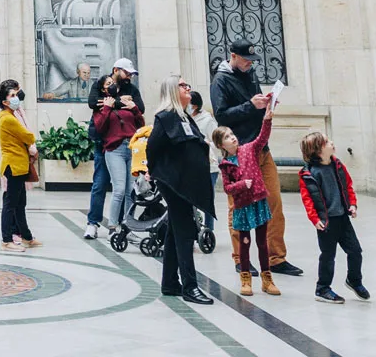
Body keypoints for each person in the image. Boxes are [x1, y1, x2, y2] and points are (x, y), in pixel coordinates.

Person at [211, 42, 301, 276]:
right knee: (238, 206)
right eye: (245, 59)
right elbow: (222, 116)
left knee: (274, 203)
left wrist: (266, 104)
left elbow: (254, 102)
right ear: (233, 56)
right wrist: (250, 106)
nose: (250, 63)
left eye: (251, 59)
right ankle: (241, 259)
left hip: (260, 147)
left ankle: (276, 257)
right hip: (239, 151)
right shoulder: (220, 80)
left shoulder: (249, 73)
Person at [145, 75, 215, 304]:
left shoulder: (185, 117)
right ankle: (190, 286)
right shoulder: (166, 117)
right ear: (173, 91)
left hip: (186, 183)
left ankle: (170, 283)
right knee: (185, 233)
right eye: (184, 86)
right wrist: (155, 173)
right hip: (174, 184)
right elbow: (153, 147)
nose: (189, 89)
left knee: (177, 231)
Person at [214, 95, 279, 297]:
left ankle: (267, 278)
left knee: (262, 241)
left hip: (258, 201)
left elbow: (262, 138)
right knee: (244, 242)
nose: (232, 138)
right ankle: (245, 278)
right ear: (221, 145)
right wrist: (242, 184)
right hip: (242, 206)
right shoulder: (225, 165)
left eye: (232, 134)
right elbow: (227, 188)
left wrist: (267, 119)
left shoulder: (249, 149)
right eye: (226, 137)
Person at [299, 131, 367, 304]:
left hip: (343, 218)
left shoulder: (337, 165)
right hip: (327, 222)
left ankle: (354, 280)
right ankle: (322, 289)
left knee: (355, 251)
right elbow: (308, 200)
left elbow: (348, 185)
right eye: (327, 142)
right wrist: (315, 219)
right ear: (318, 150)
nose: (332, 143)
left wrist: (352, 204)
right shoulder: (310, 173)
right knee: (328, 256)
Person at [93, 57, 146, 237]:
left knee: (131, 191)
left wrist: (134, 108)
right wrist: (109, 107)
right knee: (118, 189)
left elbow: (140, 121)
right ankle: (113, 226)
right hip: (114, 149)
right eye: (127, 72)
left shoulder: (130, 95)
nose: (129, 76)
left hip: (131, 148)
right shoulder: (102, 103)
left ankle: (128, 225)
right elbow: (100, 126)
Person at [0, 79, 41, 252]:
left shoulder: (10, 115)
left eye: (16, 94)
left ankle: (26, 236)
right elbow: (28, 136)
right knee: (10, 204)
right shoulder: (8, 119)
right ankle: (7, 240)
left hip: (19, 165)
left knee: (20, 203)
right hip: (13, 165)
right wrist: (29, 139)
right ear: (5, 101)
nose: (16, 98)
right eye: (12, 96)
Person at [82, 74, 115, 240]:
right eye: (108, 83)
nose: (112, 85)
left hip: (120, 146)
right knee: (100, 184)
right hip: (103, 146)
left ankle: (117, 224)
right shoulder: (98, 103)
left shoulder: (123, 97)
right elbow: (99, 124)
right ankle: (93, 222)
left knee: (122, 188)